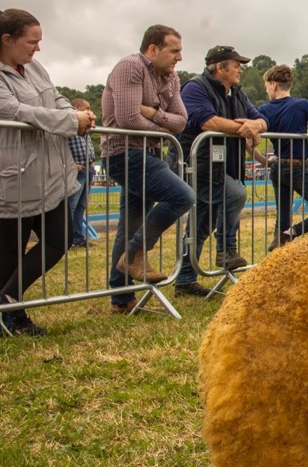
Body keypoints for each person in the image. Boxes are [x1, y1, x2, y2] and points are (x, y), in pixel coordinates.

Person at [0, 8, 92, 337]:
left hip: (47, 174)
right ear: (7, 40)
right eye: (32, 41)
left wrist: (75, 115)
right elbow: (17, 112)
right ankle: (12, 316)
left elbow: (55, 96)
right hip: (10, 177)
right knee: (10, 251)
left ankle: (2, 303)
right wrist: (70, 122)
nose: (38, 48)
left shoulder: (34, 67)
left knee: (60, 238)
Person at [101, 25, 197, 313]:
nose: (179, 57)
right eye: (174, 50)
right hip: (124, 153)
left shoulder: (171, 77)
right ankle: (135, 253)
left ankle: (121, 299)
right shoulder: (130, 66)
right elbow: (129, 118)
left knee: (130, 225)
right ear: (153, 49)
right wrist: (162, 128)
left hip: (147, 153)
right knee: (183, 196)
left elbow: (182, 122)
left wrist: (152, 113)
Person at [173, 45, 267, 296]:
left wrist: (256, 125)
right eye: (236, 65)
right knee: (235, 194)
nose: (240, 70)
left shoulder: (237, 92)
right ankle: (226, 249)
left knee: (201, 225)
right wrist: (245, 128)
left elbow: (260, 118)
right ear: (220, 68)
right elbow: (208, 122)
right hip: (198, 165)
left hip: (223, 166)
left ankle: (184, 280)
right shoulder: (195, 88)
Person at [257, 64, 308, 251]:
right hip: (297, 168)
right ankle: (295, 231)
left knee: (282, 219)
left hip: (278, 167)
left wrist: (264, 161)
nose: (267, 91)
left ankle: (278, 249)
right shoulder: (302, 105)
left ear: (274, 85)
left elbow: (249, 142)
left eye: (266, 87)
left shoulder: (264, 110)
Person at [66, 98, 96, 248]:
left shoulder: (84, 124)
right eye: (86, 108)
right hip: (77, 169)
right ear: (77, 107)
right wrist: (72, 164)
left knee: (81, 206)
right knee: (72, 205)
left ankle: (77, 238)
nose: (89, 111)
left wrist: (91, 162)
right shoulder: (69, 122)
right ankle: (68, 240)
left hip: (87, 167)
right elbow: (64, 145)